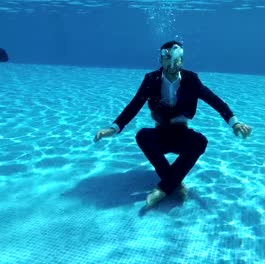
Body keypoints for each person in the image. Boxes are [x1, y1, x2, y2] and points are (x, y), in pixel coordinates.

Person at [94, 40, 252, 208]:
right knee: (142, 136)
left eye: (175, 58)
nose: (171, 62)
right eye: (167, 57)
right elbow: (134, 105)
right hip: (160, 134)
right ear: (160, 60)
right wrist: (113, 128)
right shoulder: (151, 79)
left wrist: (234, 123)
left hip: (182, 136)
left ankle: (164, 187)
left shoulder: (191, 79)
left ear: (181, 61)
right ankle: (174, 183)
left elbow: (214, 101)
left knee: (200, 142)